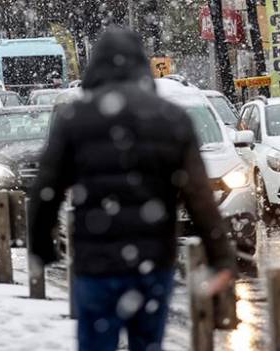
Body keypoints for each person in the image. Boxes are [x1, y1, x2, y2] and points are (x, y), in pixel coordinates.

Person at [27, 28, 236, 351]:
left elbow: (47, 189)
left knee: (96, 343)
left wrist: (41, 244)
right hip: (152, 262)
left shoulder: (74, 119)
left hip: (95, 262)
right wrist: (221, 257)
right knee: (147, 342)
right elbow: (199, 196)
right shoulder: (172, 119)